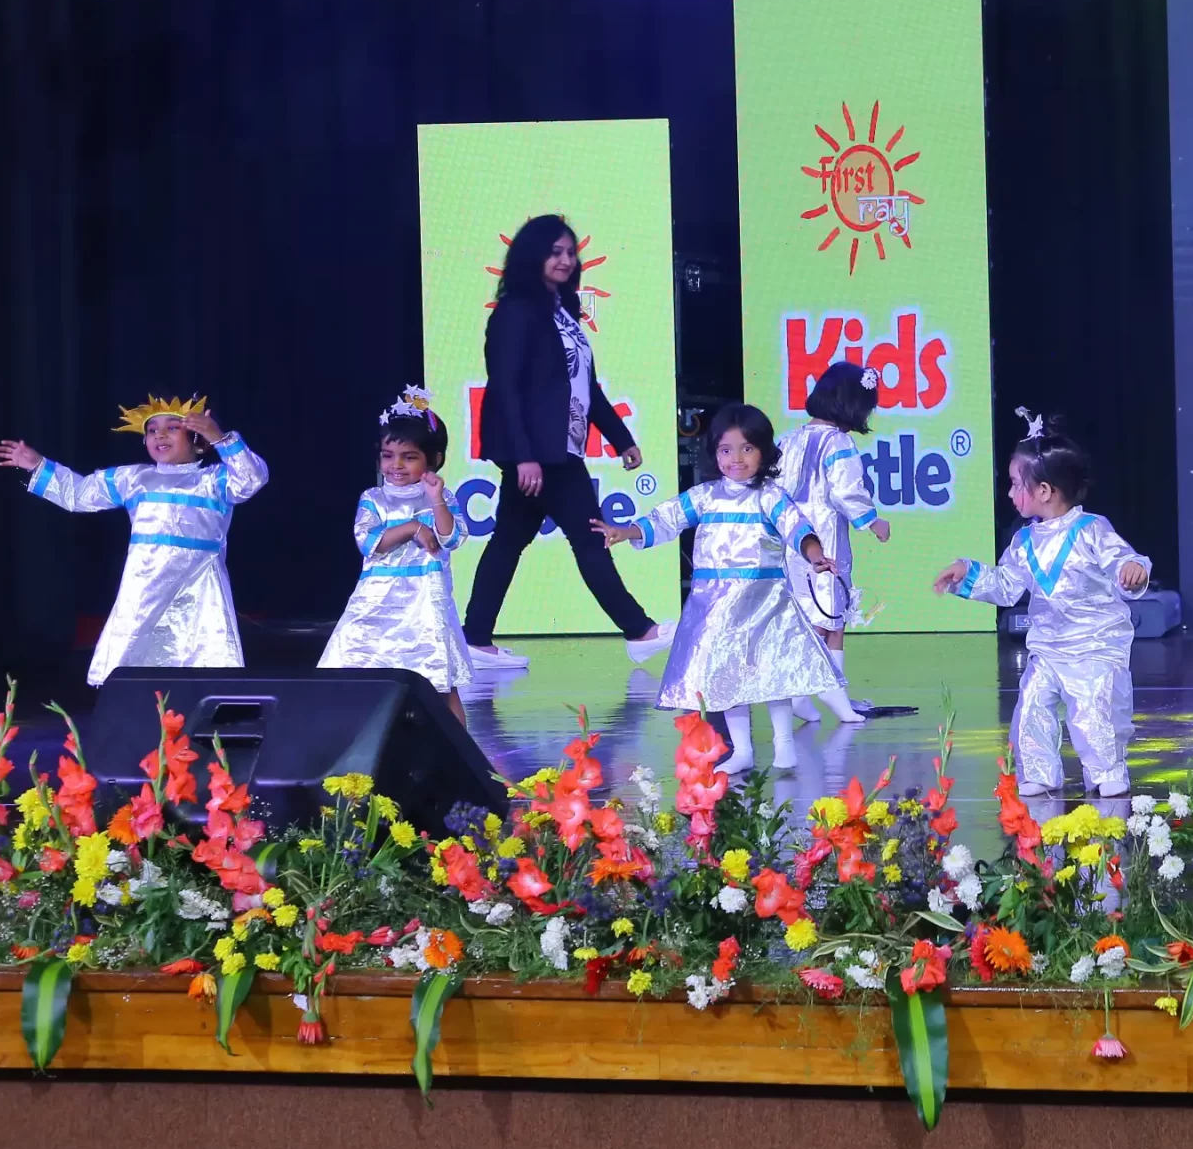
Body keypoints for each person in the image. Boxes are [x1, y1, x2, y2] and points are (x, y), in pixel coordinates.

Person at [462, 214, 670, 670]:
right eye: (555, 252)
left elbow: (584, 387)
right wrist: (524, 457)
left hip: (560, 447)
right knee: (589, 536)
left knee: (509, 540)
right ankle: (639, 630)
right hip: (540, 453)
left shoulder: (563, 310)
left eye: (571, 252)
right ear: (532, 255)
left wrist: (621, 438)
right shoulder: (516, 311)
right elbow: (506, 387)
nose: (565, 260)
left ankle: (475, 638)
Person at [596, 405, 842, 773]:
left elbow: (797, 528)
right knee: (728, 679)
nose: (736, 459)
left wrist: (815, 554)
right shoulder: (705, 496)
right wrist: (627, 531)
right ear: (714, 453)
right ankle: (741, 750)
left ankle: (784, 742)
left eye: (747, 449)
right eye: (726, 450)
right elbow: (665, 519)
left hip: (764, 601)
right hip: (716, 606)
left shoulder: (770, 496)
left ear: (764, 452)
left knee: (774, 673)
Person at [935, 412, 1150, 798]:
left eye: (1016, 484)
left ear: (1045, 491)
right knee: (1032, 706)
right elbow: (1005, 586)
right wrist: (967, 574)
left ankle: (1106, 770)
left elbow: (1121, 560)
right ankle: (1039, 770)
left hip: (1094, 645)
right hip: (1048, 647)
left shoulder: (1091, 529)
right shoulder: (1023, 542)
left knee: (1094, 710)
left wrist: (1131, 570)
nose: (1010, 493)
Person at [0, 396, 268, 685]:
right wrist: (37, 464)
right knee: (133, 649)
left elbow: (252, 479)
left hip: (199, 583)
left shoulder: (214, 480)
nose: (160, 435)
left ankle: (202, 699)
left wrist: (221, 438)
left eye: (172, 427)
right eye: (152, 430)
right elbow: (80, 493)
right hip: (145, 584)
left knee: (203, 650)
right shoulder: (134, 478)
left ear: (198, 439)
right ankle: (127, 698)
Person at [319, 387, 476, 719]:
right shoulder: (374, 498)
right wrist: (412, 528)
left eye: (409, 456)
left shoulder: (441, 497)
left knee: (442, 686)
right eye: (388, 455)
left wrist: (435, 499)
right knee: (360, 675)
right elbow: (369, 542)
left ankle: (459, 750)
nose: (397, 465)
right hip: (376, 604)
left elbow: (451, 538)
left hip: (425, 606)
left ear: (433, 459)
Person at [776, 362, 893, 721]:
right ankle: (826, 689)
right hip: (824, 535)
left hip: (792, 538)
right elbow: (845, 491)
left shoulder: (788, 440)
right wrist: (872, 520)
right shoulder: (838, 442)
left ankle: (810, 692)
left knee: (811, 611)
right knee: (830, 613)